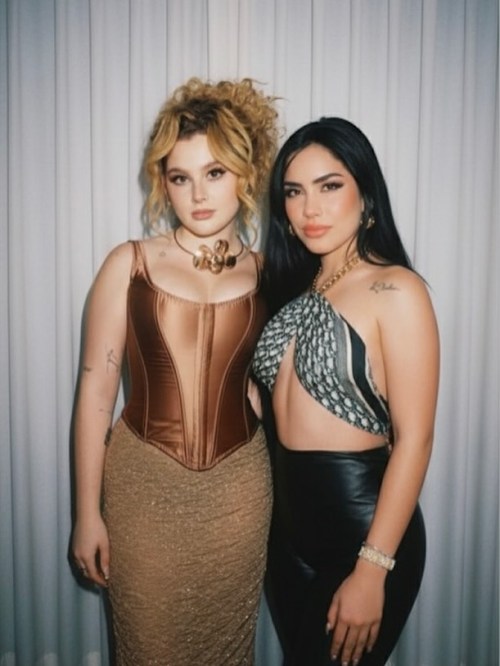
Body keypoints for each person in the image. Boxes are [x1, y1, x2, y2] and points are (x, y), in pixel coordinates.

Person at [71, 77, 279, 665]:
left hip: (240, 497)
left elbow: (267, 393)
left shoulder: (270, 273)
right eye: (180, 177)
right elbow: (95, 393)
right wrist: (86, 513)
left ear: (245, 173)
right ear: (163, 182)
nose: (198, 194)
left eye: (215, 172)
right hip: (143, 491)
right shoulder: (129, 263)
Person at [252, 117, 439, 666]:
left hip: (361, 531)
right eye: (294, 192)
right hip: (286, 532)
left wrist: (372, 569)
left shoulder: (396, 289)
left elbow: (415, 439)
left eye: (329, 186)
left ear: (366, 195)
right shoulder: (293, 292)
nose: (309, 208)